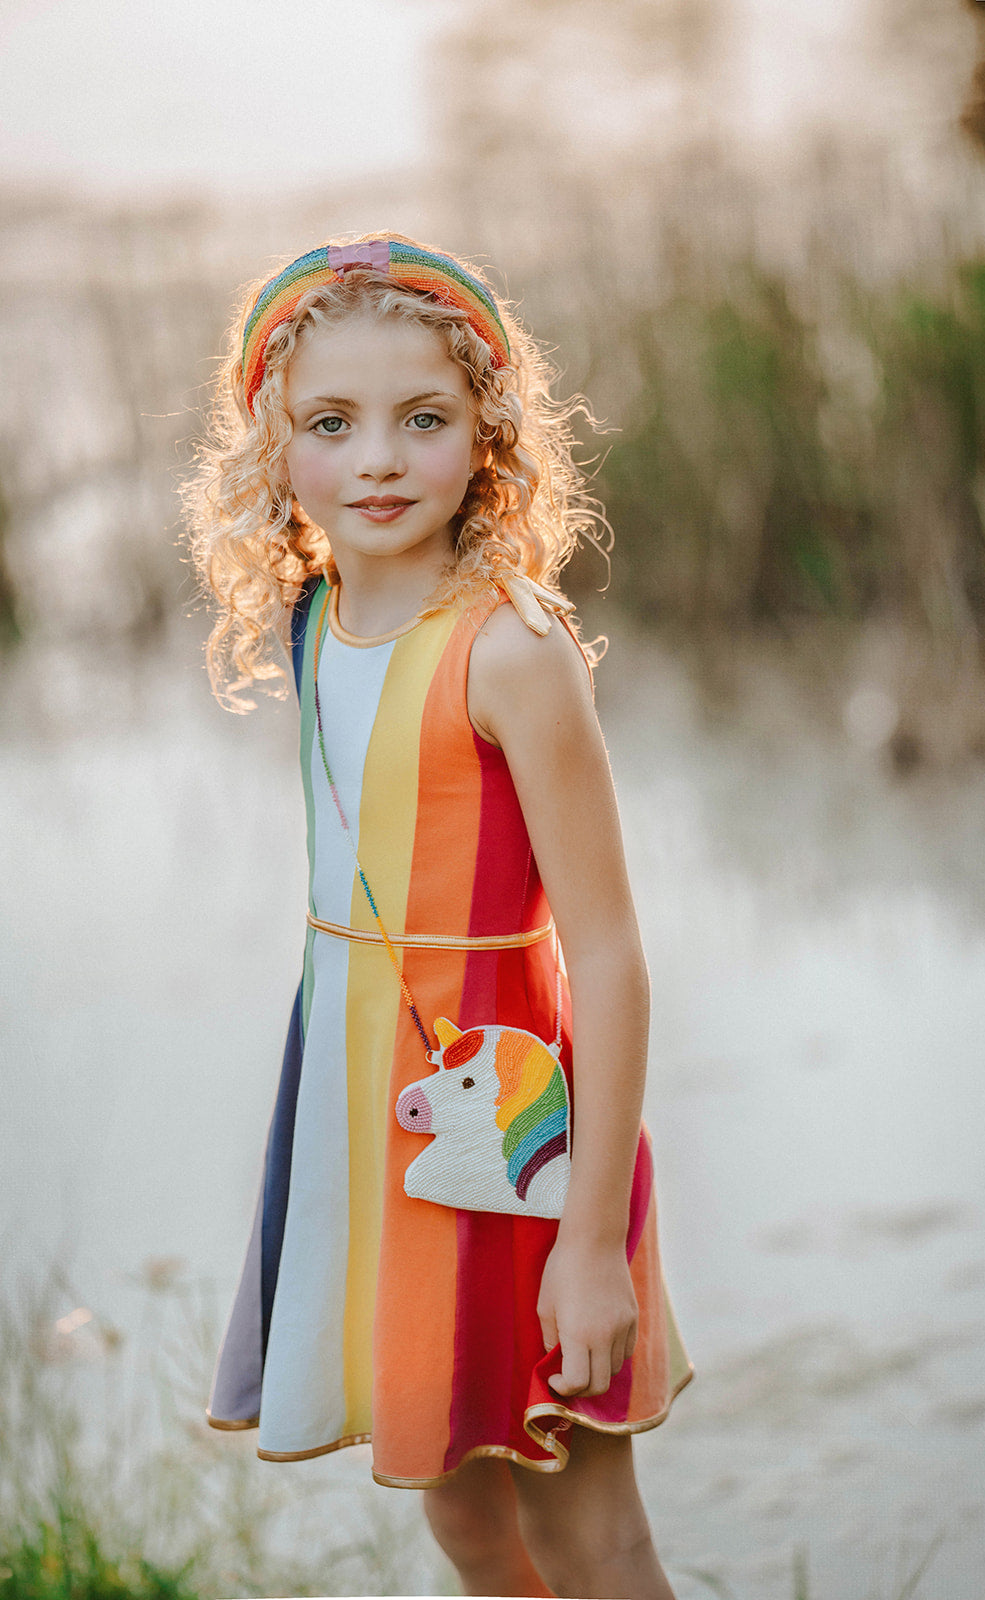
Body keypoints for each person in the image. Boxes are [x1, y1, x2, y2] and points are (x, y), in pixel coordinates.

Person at [184, 232, 692, 1600]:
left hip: (514, 1133)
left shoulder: (510, 649)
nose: (378, 461)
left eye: (423, 419)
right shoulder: (314, 620)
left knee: (588, 1533)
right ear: (273, 445)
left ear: (489, 433)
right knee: (467, 1522)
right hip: (375, 1128)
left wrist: (590, 1242)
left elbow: (613, 954)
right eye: (331, 425)